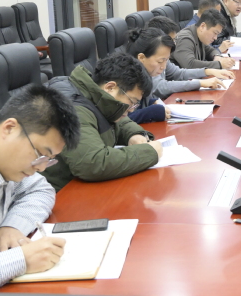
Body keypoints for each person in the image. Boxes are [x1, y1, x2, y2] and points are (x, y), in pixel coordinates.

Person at [0, 86, 80, 293]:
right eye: (40, 155)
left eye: (49, 160)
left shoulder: (0, 158)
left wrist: (13, 225)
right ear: (9, 128)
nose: (41, 168)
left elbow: (41, 189)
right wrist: (19, 261)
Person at [42, 53, 163, 192]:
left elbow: (115, 117)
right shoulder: (73, 110)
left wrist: (134, 134)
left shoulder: (92, 93)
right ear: (110, 87)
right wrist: (149, 153)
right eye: (132, 102)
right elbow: (91, 164)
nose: (131, 110)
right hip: (59, 193)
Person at [147, 17, 236, 98]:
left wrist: (208, 71)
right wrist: (200, 83)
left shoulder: (163, 56)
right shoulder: (149, 57)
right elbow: (160, 86)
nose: (174, 44)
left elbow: (179, 73)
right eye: (172, 40)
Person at [172, 9, 236, 70]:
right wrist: (219, 64)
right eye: (215, 33)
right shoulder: (185, 39)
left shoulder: (199, 34)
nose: (215, 38)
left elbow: (210, 50)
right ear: (202, 26)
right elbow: (190, 65)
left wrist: (217, 57)